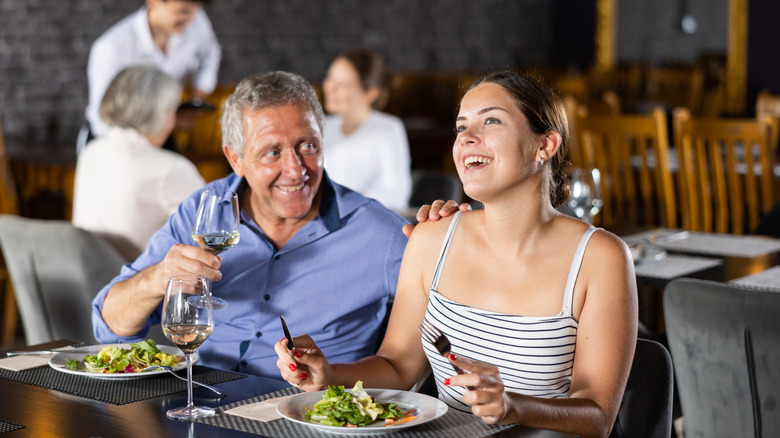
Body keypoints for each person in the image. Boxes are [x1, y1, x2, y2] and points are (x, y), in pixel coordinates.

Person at [274, 71, 638, 437]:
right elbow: (398, 367)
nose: (467, 138)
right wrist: (328, 374)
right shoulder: (431, 238)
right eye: (461, 127)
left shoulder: (600, 258)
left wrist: (512, 406)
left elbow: (598, 417)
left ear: (546, 145)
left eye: (491, 120)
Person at [90, 71, 411, 379]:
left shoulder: (380, 232)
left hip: (308, 417)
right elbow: (108, 326)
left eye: (308, 146)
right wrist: (158, 278)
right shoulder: (204, 209)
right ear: (235, 159)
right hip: (202, 402)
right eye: (272, 153)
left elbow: (445, 321)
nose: (296, 170)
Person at [73, 65, 205, 261]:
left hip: (88, 277)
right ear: (161, 112)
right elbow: (215, 228)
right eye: (172, 110)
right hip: (138, 283)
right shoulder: (170, 168)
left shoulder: (91, 151)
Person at [83, 0, 221, 147]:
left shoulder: (195, 21)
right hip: (114, 141)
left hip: (162, 134)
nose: (192, 19)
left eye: (197, 11)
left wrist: (198, 94)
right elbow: (101, 121)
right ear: (153, 2)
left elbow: (211, 53)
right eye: (183, 11)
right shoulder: (111, 49)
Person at [321, 49, 412, 212]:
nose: (330, 88)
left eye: (342, 85)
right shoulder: (323, 126)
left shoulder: (388, 129)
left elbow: (398, 196)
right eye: (329, 78)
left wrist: (348, 199)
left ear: (370, 93)